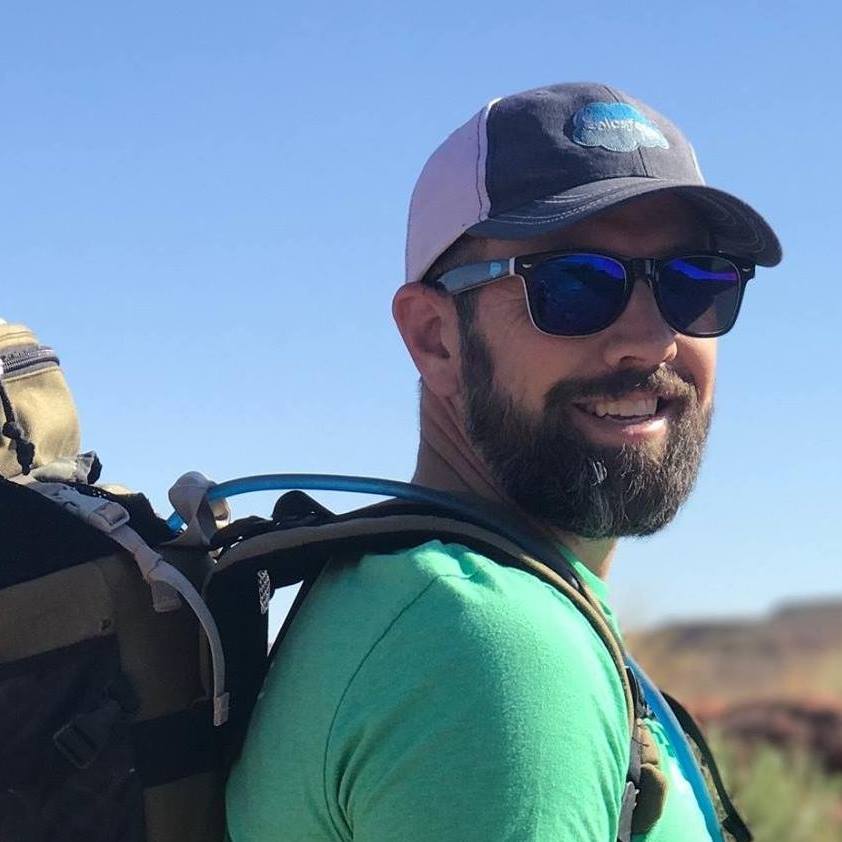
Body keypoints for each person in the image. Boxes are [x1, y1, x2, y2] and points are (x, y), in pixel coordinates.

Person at [225, 83, 781, 840]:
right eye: (574, 284)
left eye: (696, 283)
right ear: (435, 336)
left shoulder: (430, 598)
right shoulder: (488, 649)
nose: (651, 341)